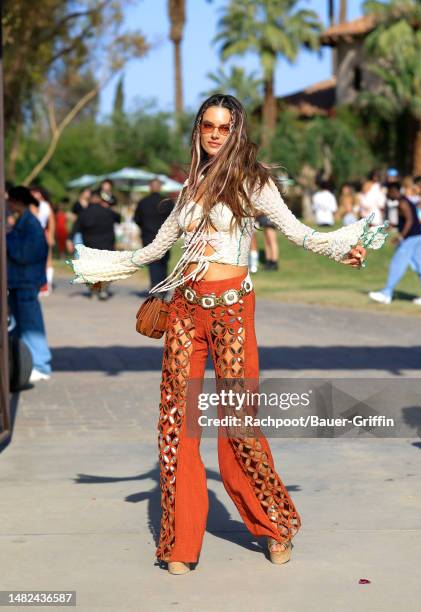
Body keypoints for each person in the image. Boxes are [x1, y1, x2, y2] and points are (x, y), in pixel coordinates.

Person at [67, 94, 388, 575]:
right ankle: (180, 541)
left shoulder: (254, 183)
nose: (215, 134)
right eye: (208, 126)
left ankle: (274, 525)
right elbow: (157, 247)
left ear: (236, 131)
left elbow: (298, 232)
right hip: (184, 311)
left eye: (224, 127)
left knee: (237, 425)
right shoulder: (190, 186)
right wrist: (104, 267)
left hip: (232, 311)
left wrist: (343, 248)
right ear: (198, 130)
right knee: (176, 426)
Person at [6, 186, 52, 382]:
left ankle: (41, 365)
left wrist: (7, 240)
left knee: (31, 326)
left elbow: (24, 253)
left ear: (17, 201)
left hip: (26, 281)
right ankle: (26, 363)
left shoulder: (29, 223)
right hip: (20, 281)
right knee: (21, 326)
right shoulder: (24, 221)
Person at [369, 181, 421, 305]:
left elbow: (409, 221)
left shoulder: (403, 202)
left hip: (411, 238)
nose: (387, 194)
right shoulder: (402, 202)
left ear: (394, 191)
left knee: (397, 263)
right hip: (418, 237)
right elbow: (400, 221)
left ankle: (386, 293)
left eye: (388, 191)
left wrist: (400, 237)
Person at [71, 190, 121, 300]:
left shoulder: (84, 213)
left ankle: (93, 290)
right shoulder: (108, 211)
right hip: (107, 245)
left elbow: (76, 228)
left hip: (90, 245)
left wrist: (69, 240)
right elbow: (119, 219)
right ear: (99, 199)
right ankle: (103, 290)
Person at [133, 178, 175, 297]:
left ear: (150, 187)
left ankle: (155, 286)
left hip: (148, 236)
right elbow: (174, 218)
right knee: (163, 262)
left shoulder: (143, 202)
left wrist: (145, 227)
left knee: (153, 263)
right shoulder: (167, 202)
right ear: (160, 187)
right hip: (165, 237)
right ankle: (163, 288)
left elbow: (136, 219)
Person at [30, 185, 56, 296]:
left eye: (36, 192)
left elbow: (52, 221)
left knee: (47, 260)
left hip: (43, 233)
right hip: (31, 235)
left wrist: (50, 235)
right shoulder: (29, 205)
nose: (34, 195)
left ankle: (46, 284)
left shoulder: (45, 205)